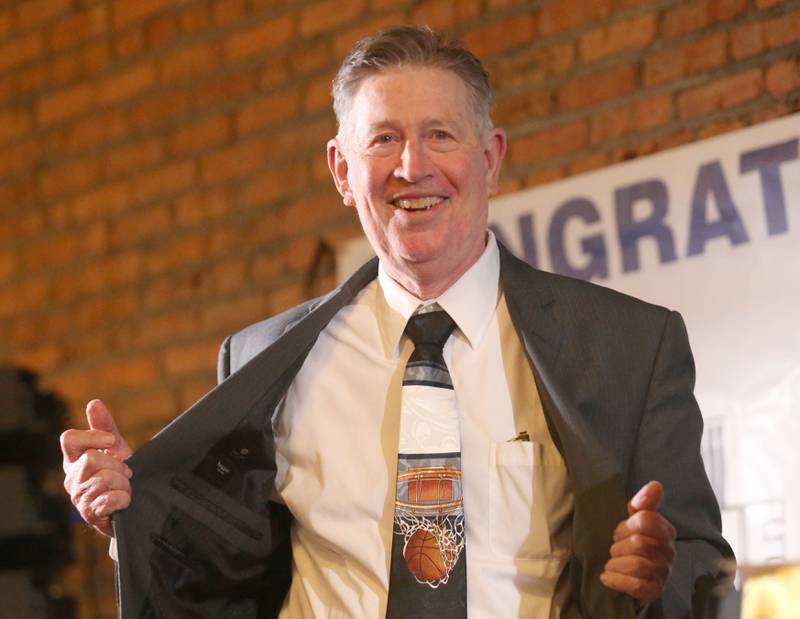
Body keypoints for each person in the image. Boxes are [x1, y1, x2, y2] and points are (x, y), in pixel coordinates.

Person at [61, 25, 732, 618]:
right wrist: (129, 510)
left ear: (491, 158)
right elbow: (220, 567)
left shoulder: (629, 345)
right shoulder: (261, 356)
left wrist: (653, 583)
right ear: (342, 170)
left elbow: (703, 568)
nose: (412, 167)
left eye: (440, 134)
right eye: (384, 139)